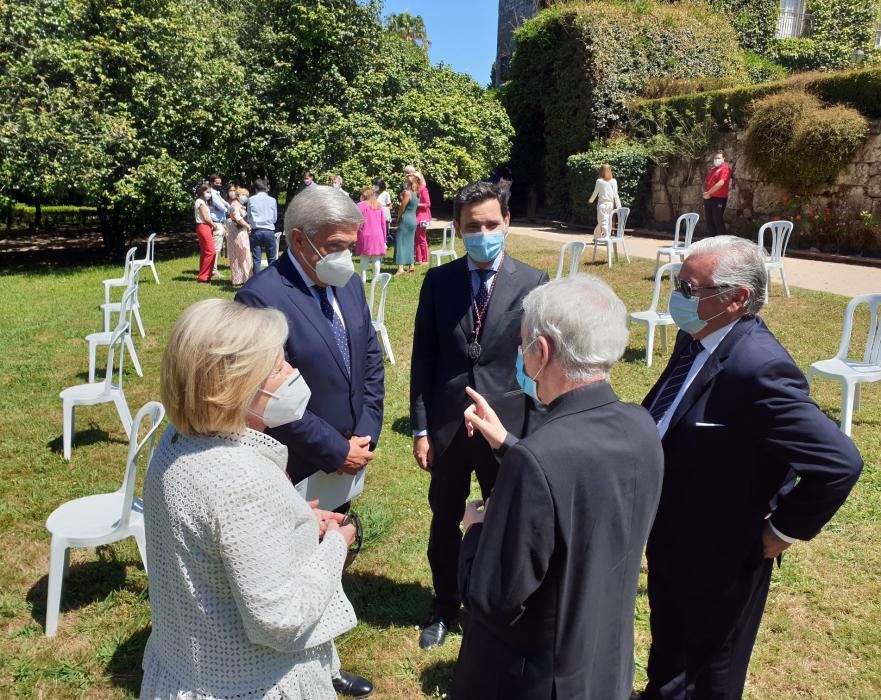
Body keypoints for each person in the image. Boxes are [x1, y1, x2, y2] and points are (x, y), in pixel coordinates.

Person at [639, 236, 863, 700]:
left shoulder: (758, 369)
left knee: (708, 673)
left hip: (720, 554)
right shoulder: (697, 336)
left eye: (688, 287)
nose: (676, 296)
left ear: (736, 298)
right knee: (668, 656)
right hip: (672, 535)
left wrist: (780, 531)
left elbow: (839, 462)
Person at [141, 298, 365, 700]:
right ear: (236, 385)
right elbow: (283, 620)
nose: (294, 373)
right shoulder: (241, 478)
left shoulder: (175, 443)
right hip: (252, 681)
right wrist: (336, 543)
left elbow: (218, 542)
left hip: (186, 666)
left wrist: (297, 523)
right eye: (279, 367)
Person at [454, 274, 664, 699]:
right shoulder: (641, 425)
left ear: (542, 350)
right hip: (601, 662)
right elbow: (580, 486)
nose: (521, 355)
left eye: (523, 344)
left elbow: (493, 597)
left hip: (537, 676)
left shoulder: (538, 459)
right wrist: (509, 444)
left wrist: (475, 529)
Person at [410, 180, 548, 649]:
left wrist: (536, 429)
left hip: (505, 427)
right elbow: (423, 359)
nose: (483, 232)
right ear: (458, 228)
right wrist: (422, 427)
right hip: (448, 427)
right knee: (444, 518)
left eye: (492, 224)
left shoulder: (533, 283)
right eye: (472, 226)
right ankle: (445, 604)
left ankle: (498, 604)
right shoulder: (439, 281)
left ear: (506, 223)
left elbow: (542, 363)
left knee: (505, 518)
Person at [235, 185, 384, 493]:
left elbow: (370, 357)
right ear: (299, 240)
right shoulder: (259, 299)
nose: (345, 257)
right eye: (335, 246)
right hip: (296, 465)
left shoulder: (349, 284)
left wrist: (366, 433)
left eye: (350, 247)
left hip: (355, 448)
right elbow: (267, 396)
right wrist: (335, 449)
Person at [246, 178, 278, 273]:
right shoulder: (272, 200)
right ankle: (272, 278)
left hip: (256, 231)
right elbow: (275, 218)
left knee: (257, 259)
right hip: (269, 230)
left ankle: (256, 281)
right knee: (272, 258)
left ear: (255, 189)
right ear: (266, 188)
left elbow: (248, 217)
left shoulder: (251, 200)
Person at [356, 186, 387, 285]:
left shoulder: (360, 205)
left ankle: (363, 280)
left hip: (365, 234)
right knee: (376, 259)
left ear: (363, 195)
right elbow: (383, 223)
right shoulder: (378, 205)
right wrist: (384, 238)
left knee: (364, 258)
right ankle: (375, 279)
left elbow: (356, 221)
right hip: (378, 234)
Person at [226, 186, 253, 286]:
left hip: (242, 231)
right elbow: (237, 218)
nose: (246, 197)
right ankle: (240, 279)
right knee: (241, 253)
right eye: (244, 195)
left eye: (247, 196)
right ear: (238, 195)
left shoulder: (240, 205)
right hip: (237, 231)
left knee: (243, 254)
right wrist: (248, 226)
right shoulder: (234, 205)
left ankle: (245, 278)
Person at [587, 163, 621, 237]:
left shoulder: (599, 181)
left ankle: (606, 236)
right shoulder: (613, 181)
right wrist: (619, 206)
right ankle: (596, 236)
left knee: (602, 222)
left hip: (602, 205)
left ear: (601, 171)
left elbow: (595, 192)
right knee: (606, 221)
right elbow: (616, 194)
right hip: (610, 205)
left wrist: (590, 200)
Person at [394, 175, 419, 276]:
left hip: (406, 219)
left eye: (405, 180)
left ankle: (400, 269)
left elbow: (402, 207)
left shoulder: (407, 192)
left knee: (400, 241)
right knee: (410, 241)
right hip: (413, 219)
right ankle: (412, 265)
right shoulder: (415, 193)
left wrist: (398, 218)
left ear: (407, 182)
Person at [703, 151, 731, 236]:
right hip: (709, 198)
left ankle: (722, 243)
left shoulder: (725, 168)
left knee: (717, 220)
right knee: (709, 220)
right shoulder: (713, 169)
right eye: (715, 158)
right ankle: (712, 242)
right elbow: (707, 183)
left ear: (723, 159)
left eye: (719, 158)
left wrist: (708, 193)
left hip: (719, 198)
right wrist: (705, 193)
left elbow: (721, 183)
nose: (716, 160)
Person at [193, 182, 216, 283]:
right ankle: (204, 276)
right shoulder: (200, 202)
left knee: (205, 252)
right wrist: (213, 225)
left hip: (204, 227)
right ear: (202, 192)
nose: (209, 194)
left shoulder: (203, 202)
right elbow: (206, 218)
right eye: (207, 192)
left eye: (210, 192)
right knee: (211, 252)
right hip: (204, 226)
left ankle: (204, 275)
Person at [208, 174, 228, 278]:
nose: (219, 185)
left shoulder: (217, 193)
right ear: (211, 183)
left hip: (220, 222)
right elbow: (219, 205)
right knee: (216, 248)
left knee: (218, 248)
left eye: (220, 183)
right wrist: (229, 210)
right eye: (217, 183)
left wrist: (228, 206)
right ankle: (213, 271)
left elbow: (224, 203)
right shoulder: (211, 193)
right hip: (215, 223)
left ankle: (213, 269)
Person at [414, 171, 431, 265]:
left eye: (415, 178)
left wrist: (417, 204)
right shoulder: (414, 189)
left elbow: (428, 204)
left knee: (422, 238)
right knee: (416, 238)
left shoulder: (423, 189)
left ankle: (425, 259)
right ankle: (418, 258)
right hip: (416, 216)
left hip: (423, 217)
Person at [373, 178, 392, 244]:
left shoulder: (385, 194)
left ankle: (384, 243)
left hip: (383, 215)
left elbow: (390, 206)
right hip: (374, 214)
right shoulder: (373, 193)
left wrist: (384, 209)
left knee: (383, 230)